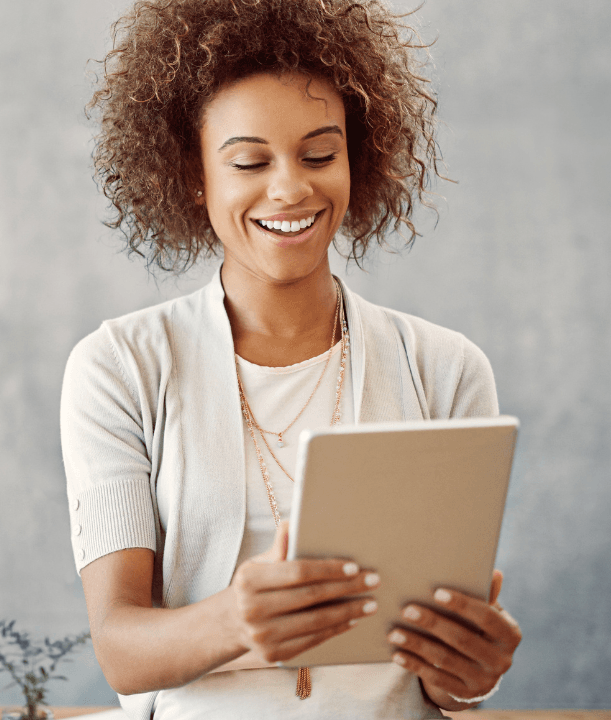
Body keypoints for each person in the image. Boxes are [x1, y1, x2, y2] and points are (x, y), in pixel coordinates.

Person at [60, 1, 523, 718]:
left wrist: (470, 673)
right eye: (249, 160)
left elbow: (448, 685)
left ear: (355, 160)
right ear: (192, 174)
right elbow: (120, 647)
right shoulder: (121, 367)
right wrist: (234, 622)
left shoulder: (446, 368)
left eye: (319, 155)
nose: (290, 189)